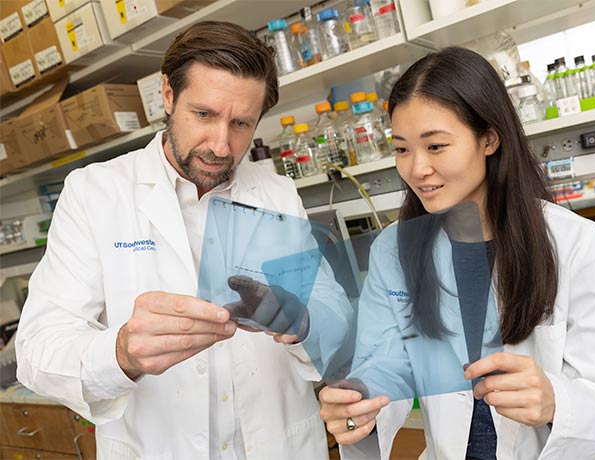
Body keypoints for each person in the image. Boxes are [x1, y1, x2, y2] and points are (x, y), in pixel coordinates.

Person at [16, 21, 352, 459]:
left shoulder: (275, 193)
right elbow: (38, 347)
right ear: (169, 96)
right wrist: (120, 353)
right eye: (204, 114)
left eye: (241, 123)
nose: (221, 144)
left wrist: (303, 323)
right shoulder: (95, 192)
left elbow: (336, 313)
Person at [318, 47, 595, 459]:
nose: (416, 169)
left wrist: (556, 402)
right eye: (403, 148)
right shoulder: (394, 249)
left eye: (436, 146)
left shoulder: (574, 244)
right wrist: (360, 400)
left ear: (490, 138)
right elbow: (384, 363)